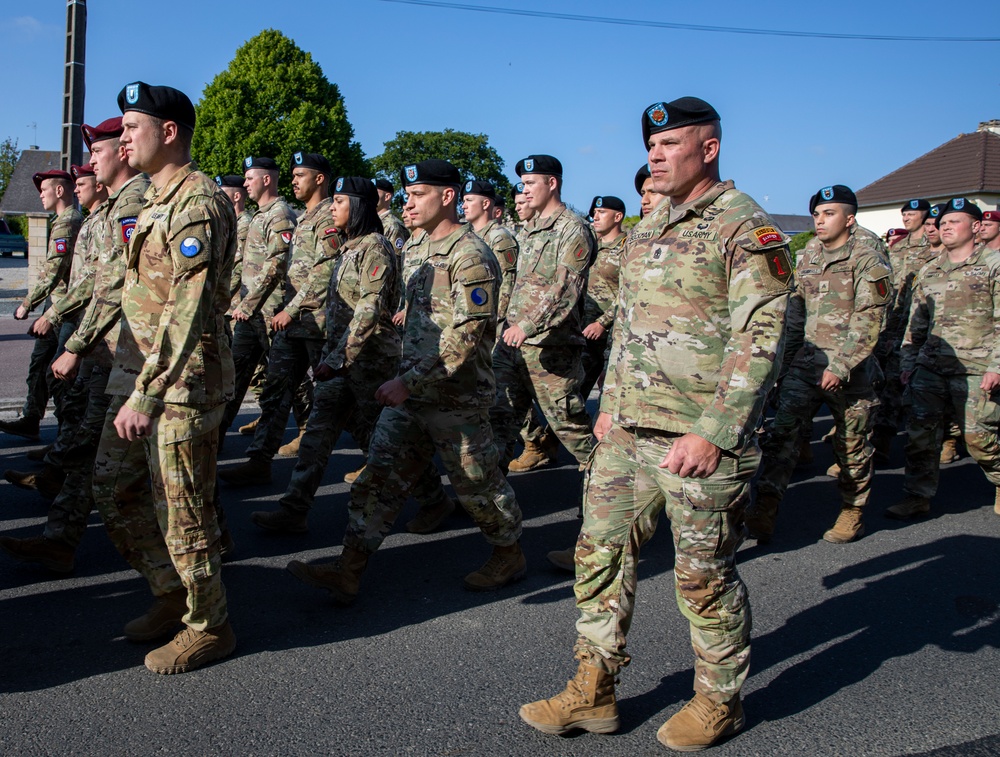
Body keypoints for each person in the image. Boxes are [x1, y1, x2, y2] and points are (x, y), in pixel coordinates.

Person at [519, 97, 793, 751]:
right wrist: (608, 404)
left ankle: (719, 699)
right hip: (628, 430)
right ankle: (594, 687)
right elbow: (631, 327)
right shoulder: (649, 225)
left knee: (701, 574)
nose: (657, 154)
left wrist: (717, 430)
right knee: (599, 553)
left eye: (671, 143)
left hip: (699, 435)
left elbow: (763, 334)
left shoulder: (744, 225)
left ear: (710, 147)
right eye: (652, 145)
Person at [286, 159, 524, 601]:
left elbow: (466, 338)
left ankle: (508, 552)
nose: (407, 203)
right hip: (411, 393)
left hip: (455, 398)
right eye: (407, 195)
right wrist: (405, 380)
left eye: (418, 195)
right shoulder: (415, 250)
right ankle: (349, 568)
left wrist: (407, 382)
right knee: (377, 476)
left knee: (478, 486)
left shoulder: (470, 256)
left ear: (447, 197)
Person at [86, 81, 238, 674]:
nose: (122, 139)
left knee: (184, 509)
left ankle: (210, 624)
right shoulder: (153, 198)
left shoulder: (196, 202)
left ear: (168, 132)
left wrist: (149, 392)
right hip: (139, 375)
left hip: (181, 384)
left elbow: (189, 306)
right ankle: (170, 591)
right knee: (113, 488)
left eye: (131, 128)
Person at [249, 176, 453, 534]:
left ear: (358, 207)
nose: (332, 208)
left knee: (389, 443)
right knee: (316, 436)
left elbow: (369, 309)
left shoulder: (375, 247)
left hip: (370, 364)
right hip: (341, 364)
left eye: (340, 202)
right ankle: (295, 508)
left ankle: (435, 501)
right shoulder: (347, 248)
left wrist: (338, 357)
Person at [0, 117, 150, 572]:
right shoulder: (111, 209)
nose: (91, 163)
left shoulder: (134, 203)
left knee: (137, 460)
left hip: (131, 353)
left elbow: (117, 283)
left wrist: (73, 341)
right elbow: (93, 280)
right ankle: (60, 536)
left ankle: (196, 555)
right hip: (109, 350)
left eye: (98, 152)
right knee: (95, 452)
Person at [749, 185, 891, 544]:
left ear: (850, 218)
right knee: (782, 436)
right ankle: (764, 508)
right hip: (807, 363)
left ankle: (852, 510)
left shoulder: (868, 257)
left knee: (852, 446)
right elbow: (796, 312)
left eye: (829, 214)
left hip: (851, 371)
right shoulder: (809, 252)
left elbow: (870, 318)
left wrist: (840, 366)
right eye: (817, 214)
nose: (820, 220)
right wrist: (782, 364)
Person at [220, 152, 338, 485]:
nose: (294, 179)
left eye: (300, 174)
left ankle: (381, 458)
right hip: (285, 319)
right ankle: (259, 461)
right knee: (274, 391)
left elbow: (322, 274)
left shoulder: (324, 218)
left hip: (311, 321)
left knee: (336, 400)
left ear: (319, 178)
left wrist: (285, 308)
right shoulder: (301, 218)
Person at [887, 198, 1000, 520]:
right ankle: (917, 496)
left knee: (979, 438)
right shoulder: (929, 269)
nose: (946, 227)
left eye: (955, 222)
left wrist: (997, 366)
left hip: (977, 369)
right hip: (930, 367)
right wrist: (908, 363)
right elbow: (916, 323)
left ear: (976, 227)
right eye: (943, 223)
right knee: (921, 436)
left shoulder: (994, 265)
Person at [3, 162, 108, 499]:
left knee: (70, 389)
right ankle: (60, 460)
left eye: (45, 190)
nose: (77, 189)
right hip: (69, 312)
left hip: (73, 315)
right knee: (63, 385)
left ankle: (63, 462)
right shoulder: (82, 220)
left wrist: (37, 305)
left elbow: (71, 275)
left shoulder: (73, 222)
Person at [488, 154, 596, 475]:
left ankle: (611, 494)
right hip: (513, 346)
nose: (525, 190)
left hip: (552, 349)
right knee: (499, 419)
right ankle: (486, 503)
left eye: (531, 183)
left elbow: (565, 288)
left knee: (570, 427)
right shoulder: (528, 229)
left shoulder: (573, 229)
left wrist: (528, 324)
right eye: (522, 184)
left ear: (552, 183)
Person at [0, 170, 83, 442]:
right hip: (54, 306)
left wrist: (26, 304)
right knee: (39, 365)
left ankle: (65, 440)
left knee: (57, 374)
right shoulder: (62, 220)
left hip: (64, 309)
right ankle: (31, 418)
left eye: (44, 189)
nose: (40, 195)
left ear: (59, 191)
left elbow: (54, 269)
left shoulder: (69, 222)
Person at [219, 156, 298, 440]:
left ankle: (306, 428)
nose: (245, 184)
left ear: (266, 179)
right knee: (235, 372)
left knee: (286, 376)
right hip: (249, 311)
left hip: (269, 310)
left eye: (250, 178)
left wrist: (249, 304)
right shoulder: (261, 215)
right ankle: (216, 435)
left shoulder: (280, 215)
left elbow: (276, 264)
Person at [872, 198, 933, 460]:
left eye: (912, 213)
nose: (907, 217)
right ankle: (881, 439)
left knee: (902, 385)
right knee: (885, 382)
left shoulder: (935, 249)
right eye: (904, 213)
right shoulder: (897, 249)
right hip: (892, 324)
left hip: (918, 326)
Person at [580, 195, 626, 402]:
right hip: (585, 331)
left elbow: (628, 292)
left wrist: (602, 323)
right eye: (594, 213)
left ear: (618, 217)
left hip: (611, 333)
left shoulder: (627, 248)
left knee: (610, 396)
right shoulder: (589, 247)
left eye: (602, 212)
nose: (595, 217)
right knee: (574, 393)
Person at [462, 179, 519, 322]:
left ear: (485, 204)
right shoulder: (471, 237)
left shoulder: (499, 237)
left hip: (492, 322)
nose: (463, 206)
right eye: (464, 201)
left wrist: (497, 323)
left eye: (469, 200)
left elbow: (507, 284)